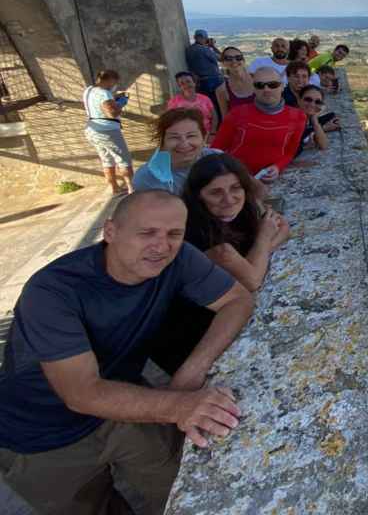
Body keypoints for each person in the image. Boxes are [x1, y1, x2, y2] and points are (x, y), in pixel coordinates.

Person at [0, 190, 253, 514]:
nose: (162, 246)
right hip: (42, 434)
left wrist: (191, 371)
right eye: (146, 232)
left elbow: (237, 299)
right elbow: (81, 393)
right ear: (110, 232)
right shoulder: (51, 291)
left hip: (126, 404)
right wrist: (178, 405)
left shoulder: (178, 258)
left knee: (183, 491)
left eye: (174, 233)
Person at [148, 154, 288, 374]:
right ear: (198, 197)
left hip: (217, 308)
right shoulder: (195, 231)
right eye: (215, 192)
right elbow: (251, 280)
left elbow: (282, 226)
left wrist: (257, 254)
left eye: (236, 188)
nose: (229, 199)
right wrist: (262, 240)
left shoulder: (244, 208)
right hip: (185, 329)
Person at [210, 66, 306, 182]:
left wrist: (277, 167)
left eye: (273, 85)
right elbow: (215, 150)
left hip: (270, 179)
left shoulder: (298, 116)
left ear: (282, 86)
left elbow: (290, 152)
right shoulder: (237, 113)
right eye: (260, 85)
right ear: (254, 89)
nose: (266, 89)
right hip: (237, 178)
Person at [132, 108, 218, 195]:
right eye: (174, 137)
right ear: (162, 142)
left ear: (204, 138)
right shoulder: (147, 178)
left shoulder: (218, 159)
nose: (184, 144)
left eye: (191, 136)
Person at [83, 69, 134, 195]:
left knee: (107, 160)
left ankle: (114, 188)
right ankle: (132, 188)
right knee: (123, 160)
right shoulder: (104, 93)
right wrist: (121, 103)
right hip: (107, 131)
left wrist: (115, 97)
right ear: (110, 80)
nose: (114, 85)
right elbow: (112, 113)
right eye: (114, 82)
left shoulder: (89, 90)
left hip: (93, 130)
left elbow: (99, 103)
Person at [166, 71, 217, 137]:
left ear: (194, 83)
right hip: (186, 137)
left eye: (188, 81)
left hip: (207, 134)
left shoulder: (205, 99)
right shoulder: (174, 102)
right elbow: (170, 120)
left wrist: (212, 133)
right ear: (180, 87)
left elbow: (215, 117)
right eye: (182, 83)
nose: (186, 85)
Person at [296, 85, 339, 157]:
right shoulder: (291, 119)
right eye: (308, 99)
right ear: (299, 100)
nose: (312, 104)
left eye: (317, 102)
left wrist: (314, 119)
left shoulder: (307, 117)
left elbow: (324, 145)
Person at [215, 46, 255, 118]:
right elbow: (226, 118)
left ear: (243, 60)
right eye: (229, 59)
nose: (234, 61)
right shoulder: (221, 90)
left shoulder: (258, 79)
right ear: (223, 63)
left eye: (238, 57)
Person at [184, 29, 222, 102]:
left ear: (194, 37)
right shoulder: (204, 49)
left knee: (206, 102)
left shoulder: (189, 49)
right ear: (204, 38)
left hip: (199, 82)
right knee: (217, 102)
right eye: (206, 39)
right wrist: (213, 46)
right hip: (212, 80)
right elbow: (221, 58)